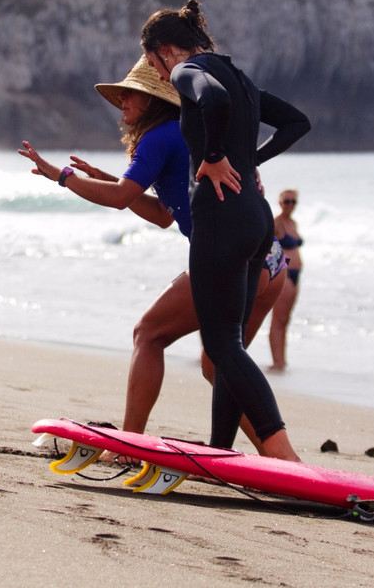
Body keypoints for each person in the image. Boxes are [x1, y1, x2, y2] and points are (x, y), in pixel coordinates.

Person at [18, 58, 287, 450]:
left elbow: (120, 199)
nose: (121, 101)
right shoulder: (186, 134)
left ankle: (127, 445)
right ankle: (274, 457)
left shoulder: (158, 137)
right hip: (269, 260)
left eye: (131, 94)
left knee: (149, 334)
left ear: (153, 99)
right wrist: (112, 180)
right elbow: (164, 214)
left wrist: (61, 176)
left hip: (229, 258)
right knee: (221, 364)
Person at [141, 0, 310, 460]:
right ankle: (220, 449)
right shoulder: (243, 79)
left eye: (152, 62)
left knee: (220, 346)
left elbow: (209, 98)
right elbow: (297, 122)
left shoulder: (187, 70)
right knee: (227, 345)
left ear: (164, 50)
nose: (155, 73)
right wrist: (250, 159)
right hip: (256, 218)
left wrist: (214, 156)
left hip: (221, 219)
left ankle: (282, 454)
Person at [269, 189, 302, 371]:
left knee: (286, 320)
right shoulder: (276, 223)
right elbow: (264, 245)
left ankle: (283, 360)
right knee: (278, 318)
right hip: (285, 274)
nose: (290, 205)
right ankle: (277, 362)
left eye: (293, 202)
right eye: (286, 201)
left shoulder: (293, 223)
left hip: (296, 275)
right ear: (280, 203)